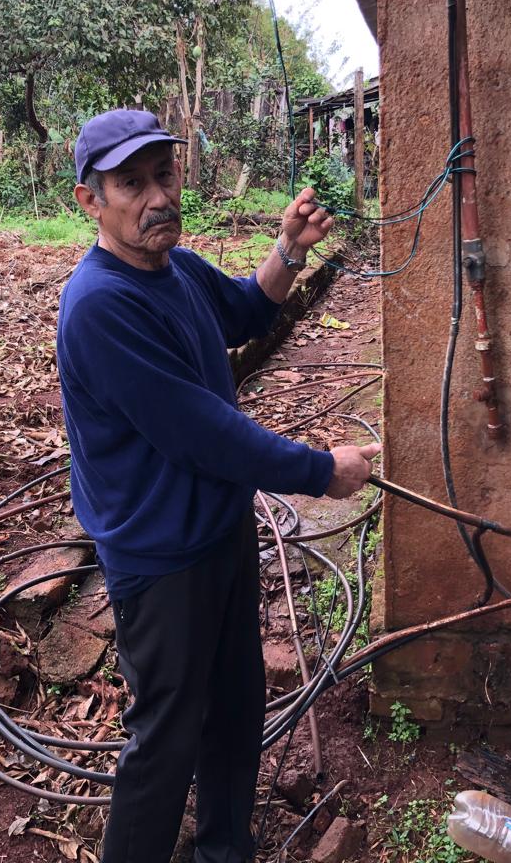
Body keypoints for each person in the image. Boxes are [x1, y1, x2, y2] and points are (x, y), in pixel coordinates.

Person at [56, 109, 380, 863]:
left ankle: (224, 851)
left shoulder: (174, 268)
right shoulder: (102, 305)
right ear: (89, 201)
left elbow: (242, 308)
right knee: (167, 737)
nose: (155, 197)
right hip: (160, 555)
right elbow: (203, 432)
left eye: (163, 175)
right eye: (130, 184)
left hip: (218, 531)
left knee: (236, 708)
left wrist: (288, 251)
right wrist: (318, 470)